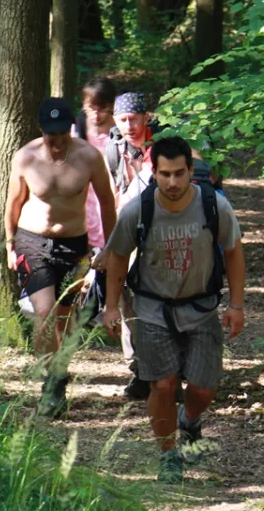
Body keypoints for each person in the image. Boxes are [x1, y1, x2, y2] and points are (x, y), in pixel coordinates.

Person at [102, 136, 245, 483]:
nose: (172, 182)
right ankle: (168, 456)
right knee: (163, 386)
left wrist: (237, 305)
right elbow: (118, 257)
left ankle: (190, 422)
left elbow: (233, 253)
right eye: (165, 174)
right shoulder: (139, 209)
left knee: (203, 388)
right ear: (154, 173)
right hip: (152, 309)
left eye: (179, 174)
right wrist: (110, 306)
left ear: (191, 171)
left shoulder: (215, 206)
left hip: (201, 308)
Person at [5, 97, 117, 418]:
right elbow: (13, 202)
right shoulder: (25, 157)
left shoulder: (89, 157)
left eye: (62, 135)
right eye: (51, 136)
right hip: (32, 243)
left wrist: (108, 248)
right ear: (41, 130)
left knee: (66, 316)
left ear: (70, 128)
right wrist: (9, 243)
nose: (57, 142)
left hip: (74, 245)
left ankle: (59, 377)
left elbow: (107, 204)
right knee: (44, 312)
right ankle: (48, 381)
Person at [104, 91, 157, 398]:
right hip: (126, 234)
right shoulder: (113, 150)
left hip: (159, 233)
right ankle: (138, 371)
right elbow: (111, 197)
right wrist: (107, 245)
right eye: (122, 120)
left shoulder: (161, 148)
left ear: (146, 117)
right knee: (126, 302)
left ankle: (166, 369)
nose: (129, 125)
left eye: (134, 119)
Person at [70, 78, 117, 326]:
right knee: (82, 253)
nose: (96, 114)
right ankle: (79, 310)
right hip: (83, 200)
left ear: (111, 106)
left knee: (110, 250)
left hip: (112, 197)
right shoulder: (76, 128)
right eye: (91, 107)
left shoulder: (120, 129)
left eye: (102, 108)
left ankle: (106, 308)